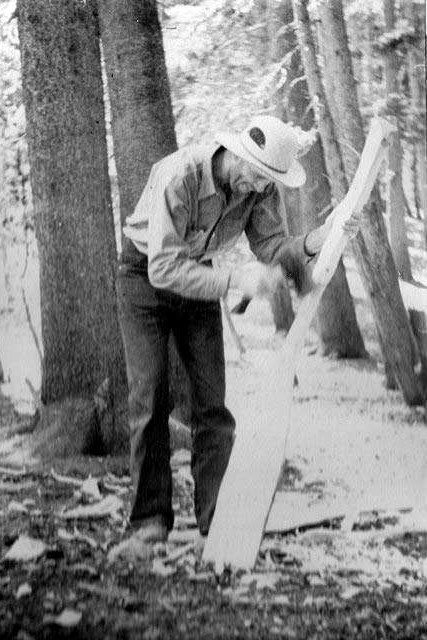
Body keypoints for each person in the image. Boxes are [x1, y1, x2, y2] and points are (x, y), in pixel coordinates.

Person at [117, 115, 356, 546]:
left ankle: (217, 521)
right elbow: (162, 268)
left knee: (212, 405)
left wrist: (317, 239)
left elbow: (271, 247)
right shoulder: (181, 175)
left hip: (199, 276)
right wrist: (235, 280)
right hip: (144, 277)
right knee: (150, 396)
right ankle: (150, 520)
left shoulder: (260, 187)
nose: (260, 186)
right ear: (238, 154)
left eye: (269, 180)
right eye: (258, 175)